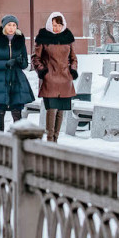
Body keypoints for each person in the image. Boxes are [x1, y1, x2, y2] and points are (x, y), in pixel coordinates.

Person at [0, 15, 35, 131]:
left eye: (14, 25)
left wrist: (20, 61)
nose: (11, 28)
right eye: (9, 25)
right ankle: (0, 140)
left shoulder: (20, 42)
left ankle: (18, 141)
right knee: (0, 112)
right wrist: (4, 64)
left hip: (17, 80)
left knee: (17, 113)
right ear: (4, 26)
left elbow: (25, 65)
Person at [32, 12, 78, 142]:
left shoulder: (68, 38)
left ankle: (55, 139)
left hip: (65, 79)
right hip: (50, 79)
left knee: (60, 111)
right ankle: (49, 140)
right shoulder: (43, 38)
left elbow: (73, 58)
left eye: (58, 25)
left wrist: (72, 71)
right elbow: (36, 58)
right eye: (53, 25)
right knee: (51, 110)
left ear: (63, 25)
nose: (56, 28)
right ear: (48, 25)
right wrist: (43, 72)